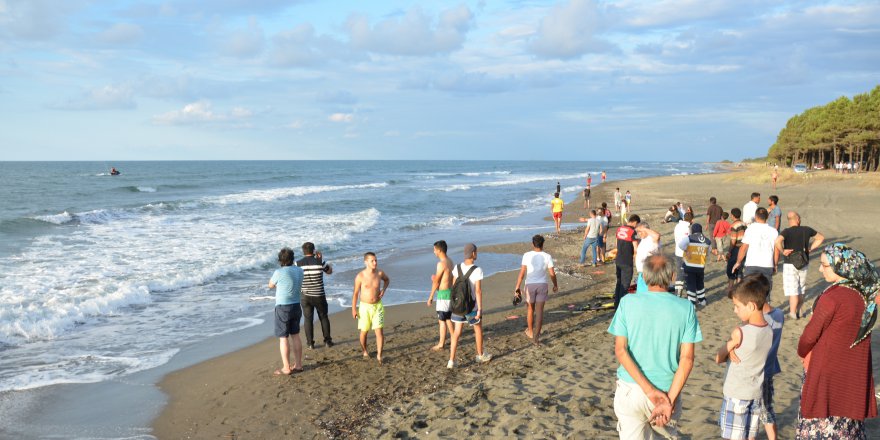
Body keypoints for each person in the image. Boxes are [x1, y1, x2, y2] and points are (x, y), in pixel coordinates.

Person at [608, 255, 702, 439]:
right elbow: (687, 359)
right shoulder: (686, 308)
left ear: (643, 277)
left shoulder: (627, 302)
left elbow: (621, 350)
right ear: (673, 276)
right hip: (668, 389)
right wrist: (669, 400)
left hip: (631, 388)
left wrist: (649, 391)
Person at [796, 244, 878, 439]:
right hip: (853, 373)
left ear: (841, 267)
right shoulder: (864, 296)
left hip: (827, 372)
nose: (819, 269)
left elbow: (808, 337)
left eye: (824, 265)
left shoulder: (831, 298)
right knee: (848, 424)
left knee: (820, 420)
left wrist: (802, 352)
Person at [715, 276, 773, 440]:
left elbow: (718, 358)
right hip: (755, 393)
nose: (735, 310)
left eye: (737, 306)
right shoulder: (769, 330)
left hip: (736, 394)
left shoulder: (740, 332)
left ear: (751, 306)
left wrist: (730, 345)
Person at [448, 243, 492, 368]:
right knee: (477, 329)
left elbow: (454, 287)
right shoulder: (477, 270)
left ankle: (451, 360)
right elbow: (478, 291)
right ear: (473, 253)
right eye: (476, 252)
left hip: (458, 306)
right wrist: (480, 309)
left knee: (456, 332)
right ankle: (480, 355)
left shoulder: (457, 268)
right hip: (471, 307)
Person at [775, 212, 825, 319]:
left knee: (792, 289)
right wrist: (811, 248)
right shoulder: (806, 229)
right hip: (803, 261)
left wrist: (783, 251)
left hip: (790, 262)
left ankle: (792, 312)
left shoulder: (786, 231)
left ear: (789, 220)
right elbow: (820, 238)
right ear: (798, 219)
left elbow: (777, 241)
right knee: (801, 288)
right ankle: (799, 310)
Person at [513, 234, 558, 345]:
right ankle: (536, 338)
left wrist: (517, 286)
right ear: (543, 244)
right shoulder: (547, 256)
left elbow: (522, 273)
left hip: (530, 286)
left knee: (530, 310)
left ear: (533, 244)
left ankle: (530, 331)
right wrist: (555, 285)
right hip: (542, 285)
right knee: (539, 312)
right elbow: (552, 273)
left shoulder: (527, 255)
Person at [269, 247, 305, 376]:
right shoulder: (300, 270)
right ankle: (299, 364)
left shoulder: (278, 272)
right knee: (295, 335)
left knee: (283, 338)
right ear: (293, 258)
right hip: (296, 305)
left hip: (283, 306)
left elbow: (270, 285)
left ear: (280, 260)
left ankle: (286, 367)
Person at [352, 252, 390, 364]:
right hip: (364, 307)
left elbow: (387, 280)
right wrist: (354, 309)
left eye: (376, 260)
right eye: (372, 261)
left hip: (378, 306)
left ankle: (379, 355)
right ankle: (364, 351)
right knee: (364, 331)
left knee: (379, 332)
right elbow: (355, 294)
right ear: (366, 262)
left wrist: (383, 290)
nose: (375, 262)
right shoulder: (360, 276)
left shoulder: (380, 273)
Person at [733, 208, 779, 298]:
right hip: (767, 265)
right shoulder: (774, 231)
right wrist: (775, 264)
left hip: (751, 264)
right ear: (767, 217)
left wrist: (738, 262)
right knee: (765, 292)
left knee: (750, 292)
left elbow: (743, 248)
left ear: (756, 217)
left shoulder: (750, 229)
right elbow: (776, 250)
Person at [297, 243, 334, 350]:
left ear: (303, 251)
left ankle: (310, 344)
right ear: (313, 251)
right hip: (319, 295)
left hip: (305, 295)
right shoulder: (319, 262)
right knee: (323, 317)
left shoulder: (298, 264)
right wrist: (321, 260)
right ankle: (328, 341)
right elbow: (330, 271)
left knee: (308, 319)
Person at [426, 240, 454, 351]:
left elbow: (436, 282)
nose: (434, 252)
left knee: (442, 320)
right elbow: (446, 278)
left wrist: (431, 296)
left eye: (434, 250)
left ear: (439, 250)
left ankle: (441, 344)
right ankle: (453, 337)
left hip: (443, 295)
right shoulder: (450, 261)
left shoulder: (441, 263)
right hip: (449, 292)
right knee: (447, 318)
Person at [677, 223, 710, 307]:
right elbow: (708, 253)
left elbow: (680, 245)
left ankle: (692, 303)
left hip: (689, 266)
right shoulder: (707, 241)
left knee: (691, 284)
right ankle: (702, 300)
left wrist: (686, 250)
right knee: (700, 284)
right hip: (700, 266)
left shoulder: (689, 238)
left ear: (692, 230)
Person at [613, 214, 641, 309]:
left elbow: (616, 244)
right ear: (635, 222)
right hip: (627, 261)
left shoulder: (620, 228)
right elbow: (636, 249)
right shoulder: (632, 232)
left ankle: (616, 304)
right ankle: (622, 307)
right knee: (625, 285)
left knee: (619, 282)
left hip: (618, 259)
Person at [634, 222, 661, 293]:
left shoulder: (651, 238)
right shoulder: (643, 239)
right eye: (638, 232)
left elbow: (657, 235)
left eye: (640, 231)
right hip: (642, 273)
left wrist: (644, 229)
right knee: (640, 295)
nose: (639, 233)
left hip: (649, 273)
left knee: (648, 294)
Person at [673, 212, 693, 296]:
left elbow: (677, 239)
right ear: (692, 219)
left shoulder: (677, 225)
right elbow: (686, 241)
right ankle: (678, 293)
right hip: (684, 253)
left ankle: (678, 290)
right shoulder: (687, 228)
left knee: (680, 271)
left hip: (678, 251)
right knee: (682, 273)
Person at [726, 208, 747, 290]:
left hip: (737, 248)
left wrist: (729, 251)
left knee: (731, 267)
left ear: (732, 215)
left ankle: (730, 287)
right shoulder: (744, 224)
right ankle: (739, 287)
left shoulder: (734, 226)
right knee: (740, 268)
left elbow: (733, 241)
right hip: (745, 248)